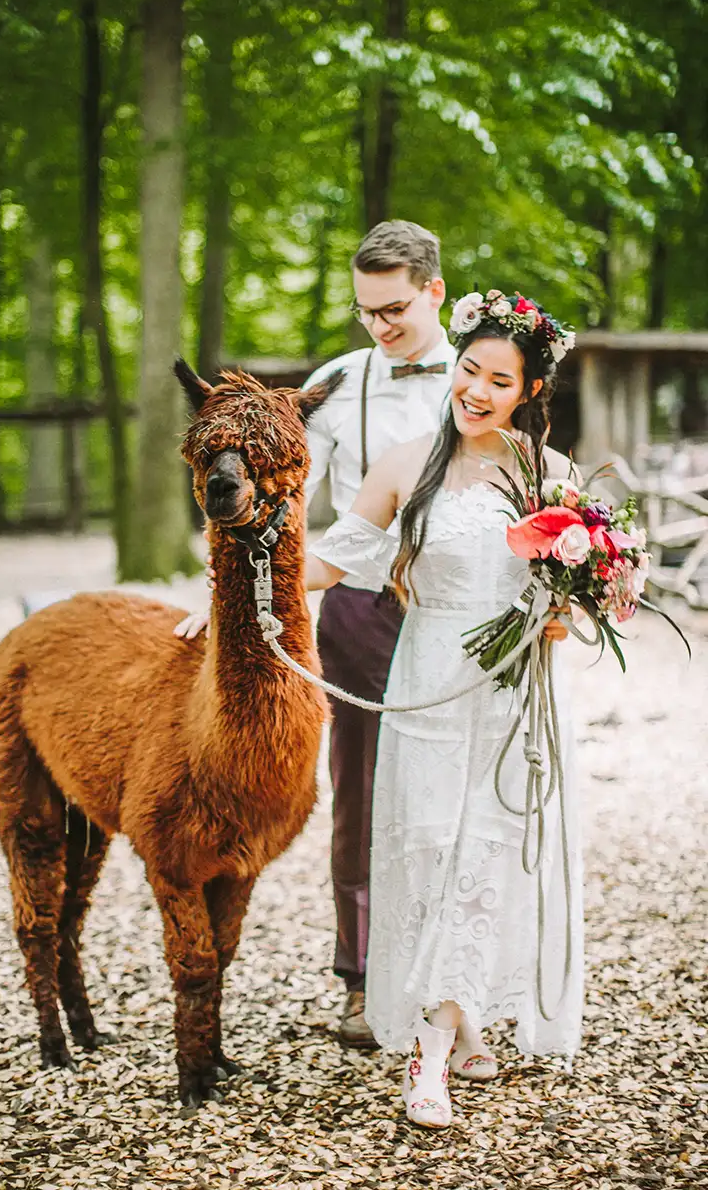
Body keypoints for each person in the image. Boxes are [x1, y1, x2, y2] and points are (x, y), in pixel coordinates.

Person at [176, 220, 460, 1053]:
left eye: (395, 309)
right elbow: (281, 499)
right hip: (361, 610)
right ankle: (361, 979)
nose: (379, 326)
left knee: (461, 788)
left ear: (434, 291)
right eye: (367, 311)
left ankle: (457, 975)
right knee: (362, 793)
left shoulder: (480, 375)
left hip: (463, 614)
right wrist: (229, 595)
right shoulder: (337, 384)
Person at [304, 290, 583, 1128]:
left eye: (500, 379)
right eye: (470, 369)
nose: (477, 390)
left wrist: (569, 607)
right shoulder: (402, 464)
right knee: (427, 848)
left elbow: (565, 611)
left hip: (510, 697)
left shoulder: (549, 475)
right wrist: (237, 596)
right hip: (425, 682)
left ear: (529, 390)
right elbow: (332, 560)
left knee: (489, 855)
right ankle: (455, 1020)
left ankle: (433, 1046)